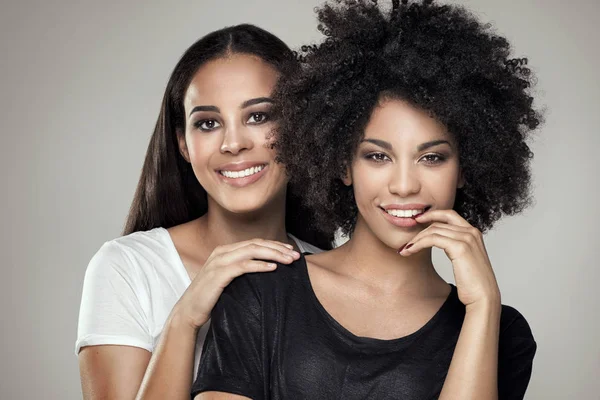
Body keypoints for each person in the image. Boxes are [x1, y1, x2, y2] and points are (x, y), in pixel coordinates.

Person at [192, 1, 540, 399]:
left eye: (432, 157)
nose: (405, 185)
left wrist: (482, 305)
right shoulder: (260, 294)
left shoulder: (499, 331)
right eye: (377, 156)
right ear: (343, 164)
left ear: (464, 168)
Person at [76, 24, 333, 400]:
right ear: (183, 144)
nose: (233, 143)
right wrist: (184, 319)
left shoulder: (328, 270)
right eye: (208, 123)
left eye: (259, 116)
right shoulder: (127, 268)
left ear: (300, 127)